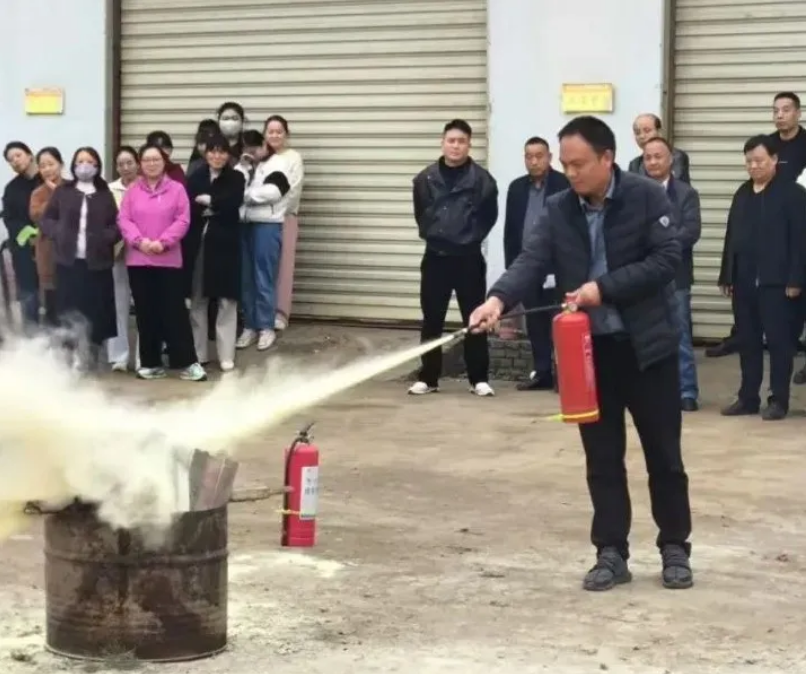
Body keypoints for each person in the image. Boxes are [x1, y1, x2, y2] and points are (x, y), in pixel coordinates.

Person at [469, 116, 692, 592]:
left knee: (664, 457)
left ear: (607, 159)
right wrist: (497, 300)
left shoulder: (646, 197)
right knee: (602, 459)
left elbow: (665, 261)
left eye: (579, 164)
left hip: (648, 350)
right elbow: (531, 260)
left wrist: (602, 289)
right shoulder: (558, 209)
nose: (569, 173)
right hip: (591, 355)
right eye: (565, 165)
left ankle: (675, 546)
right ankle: (611, 552)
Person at [407, 119, 498, 397]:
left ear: (469, 145)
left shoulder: (482, 180)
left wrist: (467, 237)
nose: (455, 146)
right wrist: (438, 234)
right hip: (436, 258)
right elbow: (421, 213)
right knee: (432, 319)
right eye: (451, 140)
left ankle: (479, 378)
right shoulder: (425, 179)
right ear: (442, 143)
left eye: (461, 141)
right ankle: (428, 377)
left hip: (468, 258)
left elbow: (488, 217)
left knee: (475, 319)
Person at [718, 135, 806, 421]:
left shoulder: (792, 194)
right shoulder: (742, 193)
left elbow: (801, 241)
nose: (753, 166)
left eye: (759, 160)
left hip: (778, 284)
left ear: (774, 160)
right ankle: (748, 397)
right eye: (748, 162)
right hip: (744, 282)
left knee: (780, 345)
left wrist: (796, 279)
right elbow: (731, 236)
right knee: (748, 342)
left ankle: (778, 399)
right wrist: (727, 274)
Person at [118, 142, 206, 382]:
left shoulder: (177, 189)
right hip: (139, 260)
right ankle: (151, 363)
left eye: (156, 159)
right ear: (140, 164)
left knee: (174, 312)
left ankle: (187, 362)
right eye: (146, 160)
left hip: (168, 260)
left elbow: (183, 220)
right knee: (145, 313)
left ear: (164, 162)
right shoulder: (133, 191)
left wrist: (163, 242)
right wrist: (140, 242)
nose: (151, 164)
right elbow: (124, 220)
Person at [39, 147, 120, 365]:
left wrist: (106, 238)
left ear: (97, 166)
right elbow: (47, 219)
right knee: (68, 308)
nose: (84, 166)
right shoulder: (63, 191)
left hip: (97, 264)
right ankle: (68, 357)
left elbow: (116, 225)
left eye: (90, 161)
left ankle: (92, 356)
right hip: (68, 263)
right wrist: (59, 232)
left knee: (96, 310)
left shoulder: (104, 193)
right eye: (80, 161)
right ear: (74, 165)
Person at [503, 136, 570, 390]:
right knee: (535, 323)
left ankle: (564, 376)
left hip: (556, 266)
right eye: (529, 157)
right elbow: (511, 230)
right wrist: (512, 269)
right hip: (527, 265)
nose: (534, 161)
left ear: (549, 157)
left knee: (558, 321)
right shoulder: (517, 188)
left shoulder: (564, 184)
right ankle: (542, 373)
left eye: (539, 156)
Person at [642, 136, 702, 411]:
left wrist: (659, 245)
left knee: (680, 335)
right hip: (643, 276)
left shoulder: (686, 194)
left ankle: (686, 390)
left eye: (658, 156)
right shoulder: (634, 193)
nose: (653, 162)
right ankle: (651, 391)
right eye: (648, 157)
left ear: (670, 160)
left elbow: (690, 232)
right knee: (646, 335)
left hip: (675, 275)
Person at [184, 134, 245, 372]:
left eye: (222, 152)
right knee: (198, 299)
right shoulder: (195, 176)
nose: (217, 156)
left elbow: (233, 202)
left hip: (225, 245)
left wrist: (211, 202)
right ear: (205, 153)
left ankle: (226, 355)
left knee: (227, 300)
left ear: (228, 155)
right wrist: (216, 206)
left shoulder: (236, 177)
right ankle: (199, 353)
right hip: (198, 245)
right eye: (213, 151)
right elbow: (189, 206)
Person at [235, 118, 296, 352]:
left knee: (264, 277)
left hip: (267, 226)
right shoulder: (246, 165)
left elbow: (274, 192)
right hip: (244, 225)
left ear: (264, 145)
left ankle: (266, 326)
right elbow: (232, 187)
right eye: (247, 149)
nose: (252, 153)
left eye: (256, 148)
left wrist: (246, 196)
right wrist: (242, 167)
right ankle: (249, 325)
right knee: (246, 278)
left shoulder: (278, 164)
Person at [263, 115, 304, 332]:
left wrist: (276, 209)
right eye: (270, 131)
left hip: (285, 217)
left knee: (284, 265)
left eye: (279, 131)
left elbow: (294, 189)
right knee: (264, 267)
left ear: (286, 134)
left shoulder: (293, 157)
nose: (275, 135)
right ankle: (263, 311)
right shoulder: (261, 157)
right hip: (261, 219)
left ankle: (281, 312)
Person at [106, 146, 140, 371]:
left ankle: (144, 357)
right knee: (118, 304)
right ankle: (119, 356)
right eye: (121, 164)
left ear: (137, 163)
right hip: (118, 252)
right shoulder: (110, 190)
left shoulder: (147, 186)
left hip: (144, 251)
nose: (126, 168)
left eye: (129, 162)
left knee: (145, 305)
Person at [2, 141, 42, 326]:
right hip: (24, 249)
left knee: (55, 293)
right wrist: (28, 235)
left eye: (18, 155)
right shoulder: (11, 188)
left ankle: (60, 336)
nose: (15, 161)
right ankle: (32, 335)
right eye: (10, 160)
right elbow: (9, 219)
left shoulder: (47, 180)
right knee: (28, 293)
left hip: (51, 246)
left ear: (30, 155)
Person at [29, 147, 65, 326]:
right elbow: (36, 216)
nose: (47, 169)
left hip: (73, 252)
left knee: (72, 301)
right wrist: (55, 197)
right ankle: (53, 339)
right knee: (51, 303)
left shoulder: (73, 187)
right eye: (42, 166)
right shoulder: (37, 193)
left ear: (61, 165)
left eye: (51, 164)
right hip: (48, 252)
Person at [628, 114, 691, 184]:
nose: (642, 136)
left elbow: (674, 184)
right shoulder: (635, 164)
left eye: (647, 131)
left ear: (659, 132)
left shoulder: (676, 156)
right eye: (637, 133)